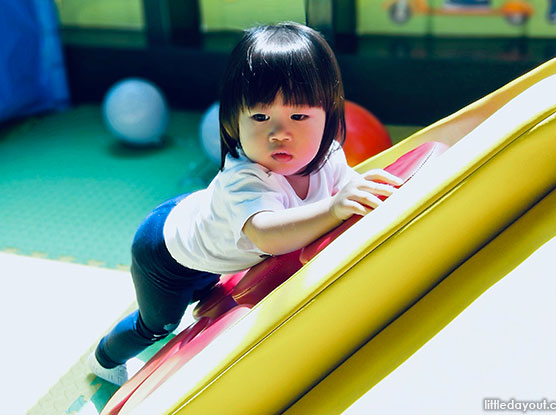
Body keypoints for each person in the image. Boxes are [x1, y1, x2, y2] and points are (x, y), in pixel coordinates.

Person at [88, 22, 403, 385]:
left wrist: (361, 191)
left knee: (209, 302)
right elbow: (268, 234)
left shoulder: (328, 153)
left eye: (299, 116)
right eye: (260, 117)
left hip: (212, 234)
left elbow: (347, 187)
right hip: (166, 254)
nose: (279, 133)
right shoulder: (245, 178)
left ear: (329, 115)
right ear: (233, 121)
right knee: (159, 325)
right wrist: (334, 209)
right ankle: (105, 357)